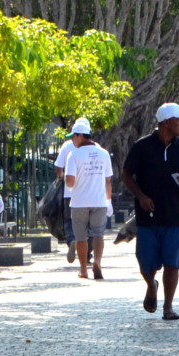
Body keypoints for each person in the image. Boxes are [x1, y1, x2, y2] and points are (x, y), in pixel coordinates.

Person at [121, 102, 179, 321]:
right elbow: (127, 174)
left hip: (175, 215)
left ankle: (168, 306)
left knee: (172, 263)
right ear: (165, 123)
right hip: (147, 216)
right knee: (145, 262)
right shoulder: (142, 146)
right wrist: (141, 196)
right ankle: (151, 284)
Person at [64, 119, 112, 280]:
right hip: (99, 201)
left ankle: (84, 269)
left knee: (81, 237)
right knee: (98, 233)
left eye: (73, 137)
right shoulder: (104, 153)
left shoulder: (74, 154)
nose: (72, 140)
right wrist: (109, 200)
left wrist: (68, 182)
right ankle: (97, 261)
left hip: (79, 203)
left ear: (80, 136)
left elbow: (70, 181)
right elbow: (108, 181)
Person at [55, 123, 79, 262]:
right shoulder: (94, 148)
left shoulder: (66, 146)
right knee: (85, 224)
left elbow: (59, 166)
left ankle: (72, 242)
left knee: (69, 221)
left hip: (68, 192)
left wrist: (61, 178)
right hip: (84, 194)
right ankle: (86, 252)